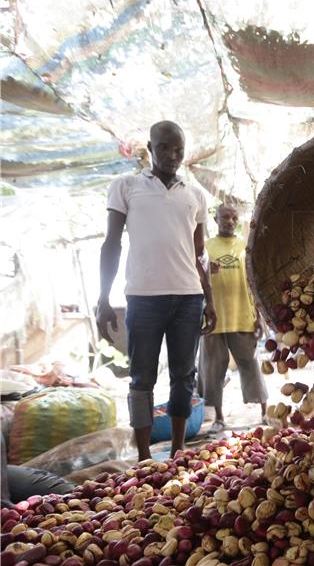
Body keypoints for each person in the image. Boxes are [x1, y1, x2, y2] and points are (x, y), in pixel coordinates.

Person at [96, 121, 216, 462]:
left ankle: (178, 450)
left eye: (178, 149)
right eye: (164, 147)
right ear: (150, 147)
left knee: (184, 375)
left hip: (188, 298)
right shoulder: (126, 186)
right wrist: (103, 298)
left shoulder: (195, 195)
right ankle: (145, 457)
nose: (172, 155)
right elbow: (111, 244)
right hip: (143, 298)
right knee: (142, 375)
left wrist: (209, 299)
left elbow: (200, 255)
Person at [198, 204, 268, 433]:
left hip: (242, 316)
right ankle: (219, 417)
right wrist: (208, 272)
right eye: (225, 217)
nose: (229, 221)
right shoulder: (205, 248)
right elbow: (194, 279)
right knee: (213, 370)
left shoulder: (244, 247)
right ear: (215, 218)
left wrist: (259, 316)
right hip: (214, 320)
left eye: (233, 217)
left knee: (251, 364)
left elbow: (253, 283)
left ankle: (265, 412)